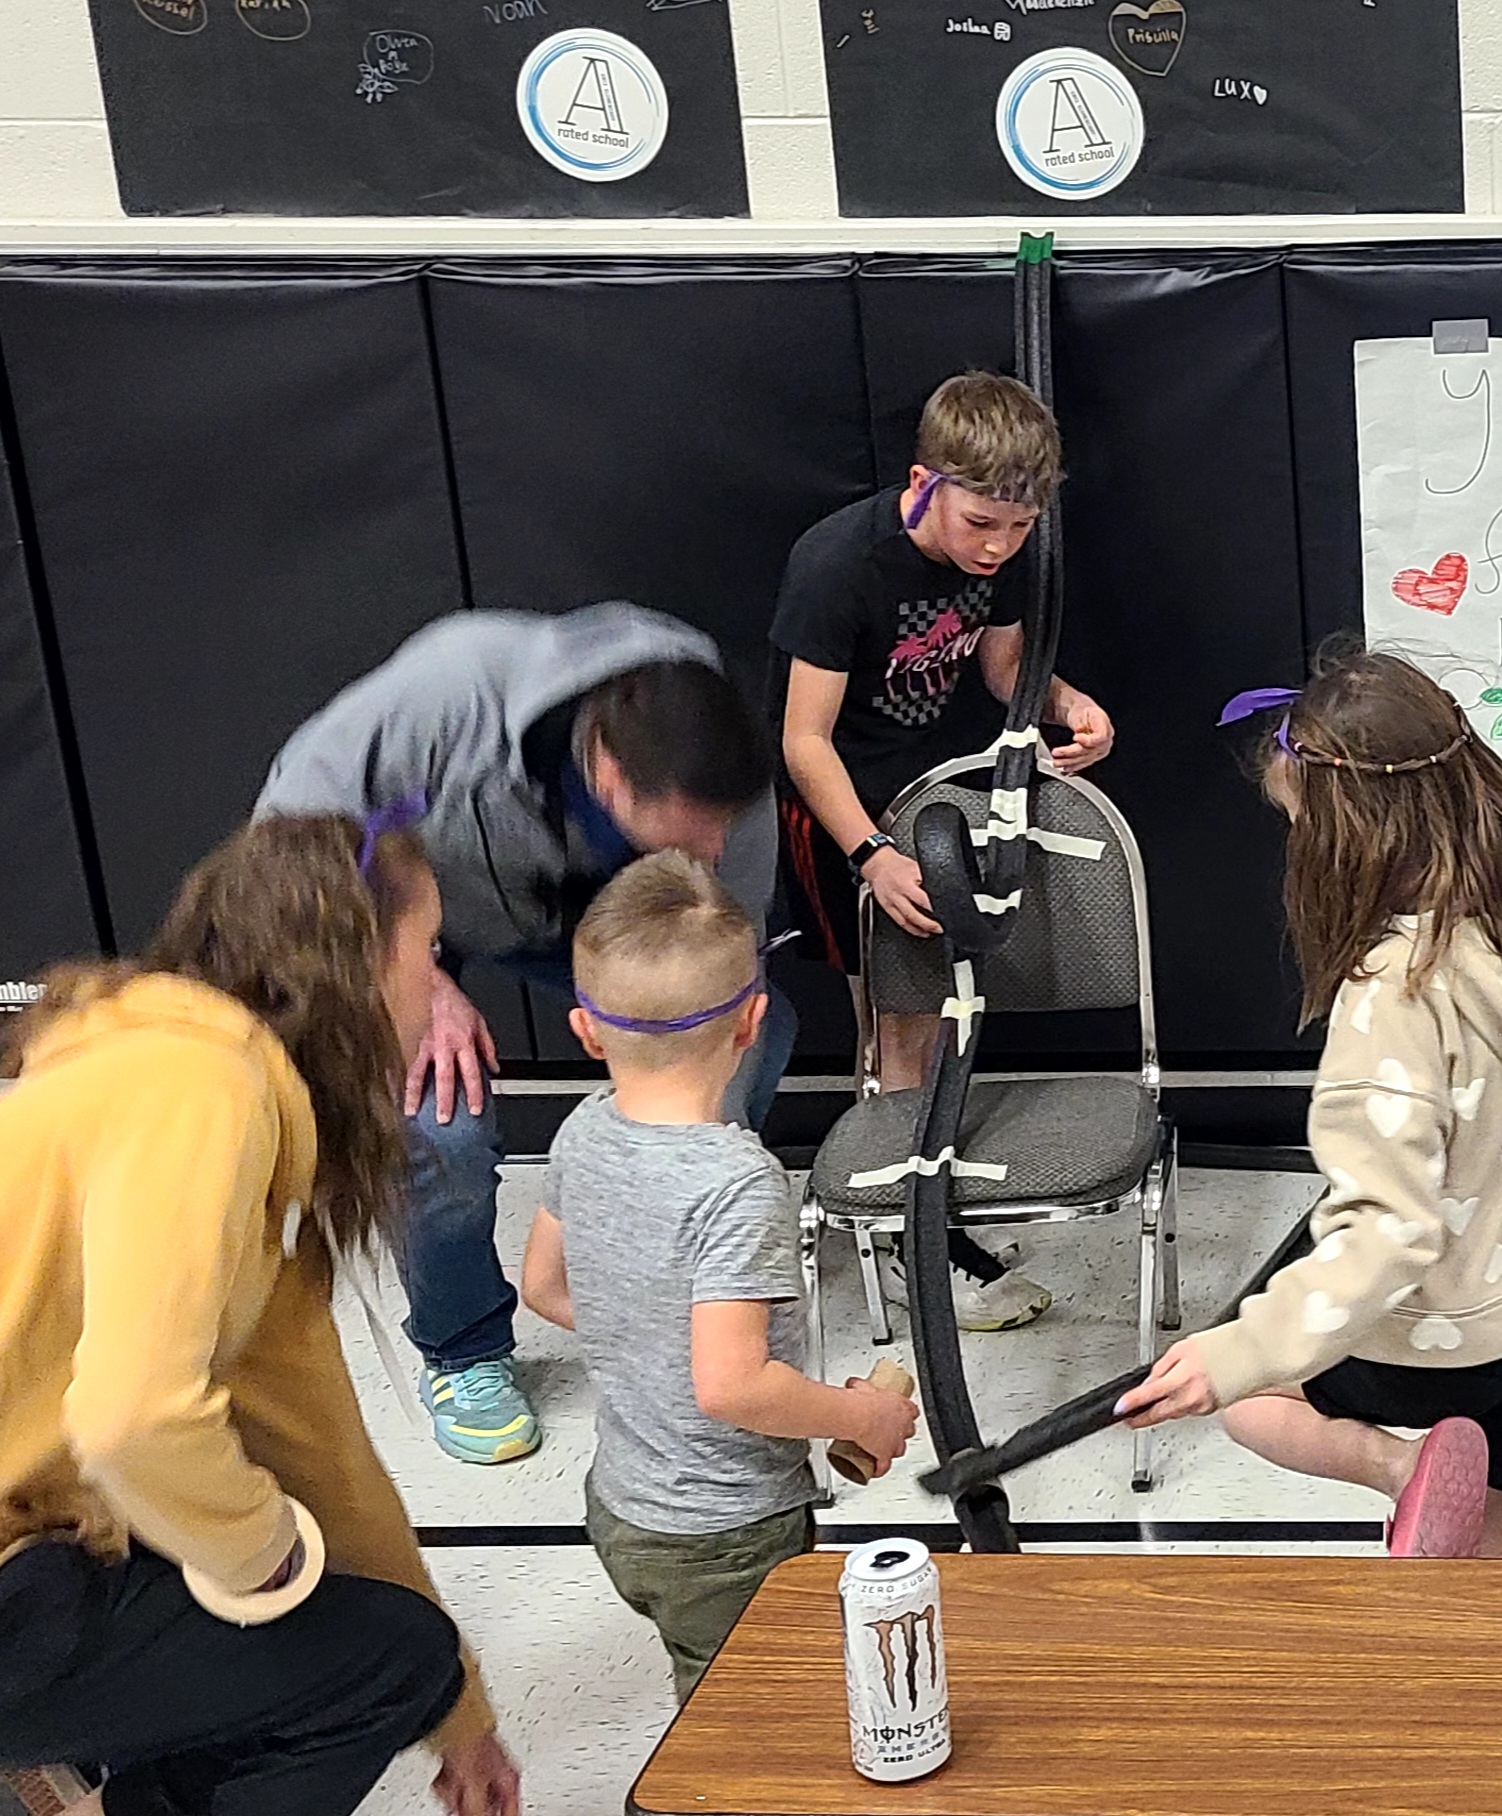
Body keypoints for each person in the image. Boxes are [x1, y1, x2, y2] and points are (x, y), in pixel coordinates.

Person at [0, 816, 521, 1816]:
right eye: (427, 951)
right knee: (360, 1651)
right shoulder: (202, 1088)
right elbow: (133, 1415)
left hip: (34, 1533)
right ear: (356, 968)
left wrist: (463, 1716)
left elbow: (323, 1454)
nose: (435, 986)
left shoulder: (179, 1083)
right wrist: (266, 1556)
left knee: (387, 1647)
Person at [258, 604, 783, 1465]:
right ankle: (462, 1350)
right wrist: (418, 976)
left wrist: (684, 1128)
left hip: (606, 921)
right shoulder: (448, 693)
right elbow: (287, 840)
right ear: (610, 775)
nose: (717, 844)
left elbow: (731, 953)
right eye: (696, 830)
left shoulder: (716, 758)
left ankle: (681, 1288)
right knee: (440, 1124)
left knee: (744, 1045)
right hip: (412, 918)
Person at [1118, 652, 1502, 1559]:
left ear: (1346, 837)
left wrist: (1235, 1355)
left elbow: (1391, 1231)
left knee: (1254, 1400)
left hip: (1428, 1347)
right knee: (1493, 1554)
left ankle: (1399, 1472)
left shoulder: (1391, 991)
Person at [517, 854, 918, 1701]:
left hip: (622, 1505)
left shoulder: (582, 1131)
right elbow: (733, 1387)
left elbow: (544, 1287)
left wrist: (648, 1335)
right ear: (752, 1025)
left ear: (586, 1032)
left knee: (706, 1684)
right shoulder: (737, 1183)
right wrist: (864, 1414)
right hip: (725, 1531)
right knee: (743, 1721)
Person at [772, 373, 1115, 1333]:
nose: (997, 548)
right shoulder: (838, 564)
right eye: (979, 526)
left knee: (930, 1022)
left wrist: (1069, 705)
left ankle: (914, 1217)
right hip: (847, 811)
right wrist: (871, 853)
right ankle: (913, 1248)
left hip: (938, 800)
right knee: (896, 1029)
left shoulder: (1004, 550)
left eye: (1018, 528)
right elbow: (803, 741)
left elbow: (1007, 670)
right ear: (923, 482)